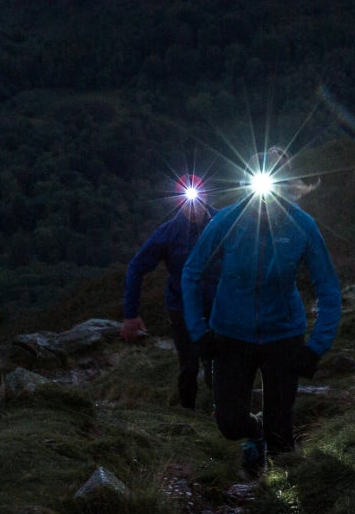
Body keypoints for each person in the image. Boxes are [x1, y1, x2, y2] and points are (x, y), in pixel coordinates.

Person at [181, 149, 341, 476]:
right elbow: (191, 273)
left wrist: (315, 347)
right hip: (229, 336)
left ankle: (279, 505)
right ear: (247, 182)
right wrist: (199, 333)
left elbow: (328, 286)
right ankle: (254, 434)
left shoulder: (302, 226)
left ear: (288, 185)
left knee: (281, 433)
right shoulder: (226, 221)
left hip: (283, 335)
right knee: (229, 423)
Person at [120, 177, 215, 408]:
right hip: (182, 309)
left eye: (198, 198)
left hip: (217, 305)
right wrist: (130, 313)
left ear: (205, 196)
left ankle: (223, 412)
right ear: (179, 203)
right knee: (189, 366)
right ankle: (188, 414)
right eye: (187, 201)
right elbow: (137, 266)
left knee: (218, 362)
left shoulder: (223, 222)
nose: (194, 206)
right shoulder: (170, 232)